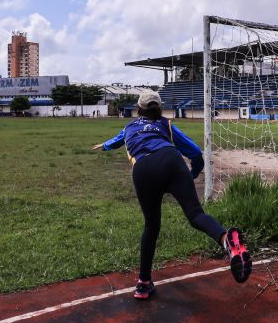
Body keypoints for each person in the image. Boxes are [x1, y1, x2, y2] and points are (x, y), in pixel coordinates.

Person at [92, 91, 252, 300]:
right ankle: (226, 241)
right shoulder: (165, 124)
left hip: (143, 169)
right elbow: (195, 152)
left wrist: (104, 146)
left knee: (151, 226)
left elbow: (116, 140)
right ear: (159, 108)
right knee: (195, 215)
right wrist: (190, 175)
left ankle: (143, 283)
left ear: (138, 109)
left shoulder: (129, 127)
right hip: (171, 160)